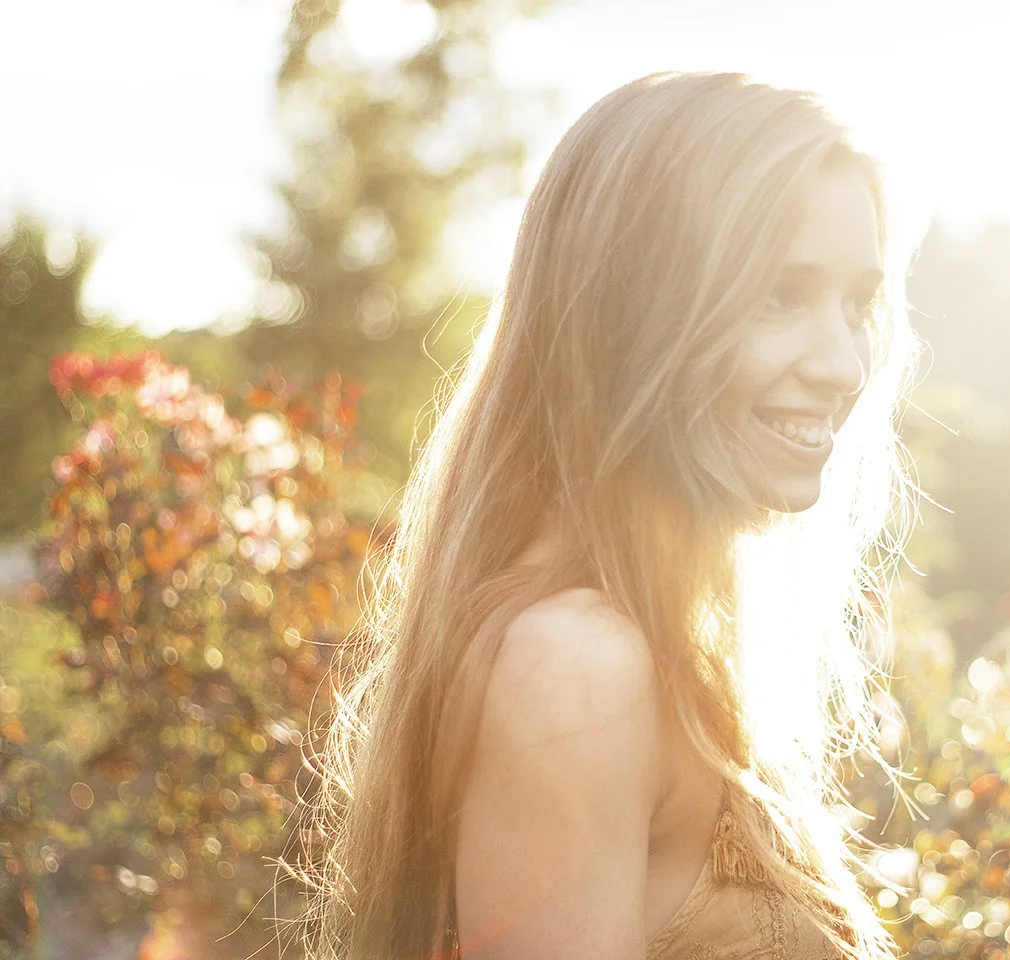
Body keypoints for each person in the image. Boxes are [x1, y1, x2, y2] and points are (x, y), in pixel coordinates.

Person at [294, 71, 922, 960]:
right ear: (634, 315)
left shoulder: (671, 643)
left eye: (856, 305)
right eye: (779, 294)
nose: (843, 364)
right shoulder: (579, 669)